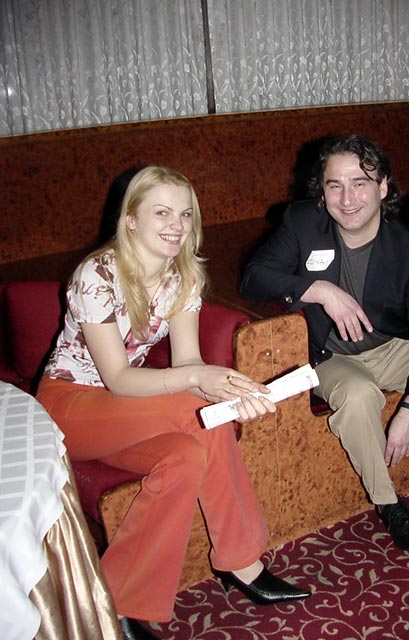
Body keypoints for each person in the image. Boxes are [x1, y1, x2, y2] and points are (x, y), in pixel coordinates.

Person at [36, 166, 310, 640]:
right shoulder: (96, 275)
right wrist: (199, 384)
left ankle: (119, 601)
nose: (176, 225)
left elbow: (188, 363)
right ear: (131, 220)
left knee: (185, 456)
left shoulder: (183, 277)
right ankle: (243, 563)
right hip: (69, 407)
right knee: (192, 411)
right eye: (161, 212)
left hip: (126, 410)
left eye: (185, 214)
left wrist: (231, 392)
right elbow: (119, 378)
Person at [240, 134, 409, 554]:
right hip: (328, 355)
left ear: (383, 187)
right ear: (322, 190)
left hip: (389, 347)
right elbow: (253, 277)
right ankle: (388, 502)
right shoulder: (302, 223)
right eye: (335, 185)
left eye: (360, 183)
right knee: (357, 394)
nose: (347, 198)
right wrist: (319, 290)